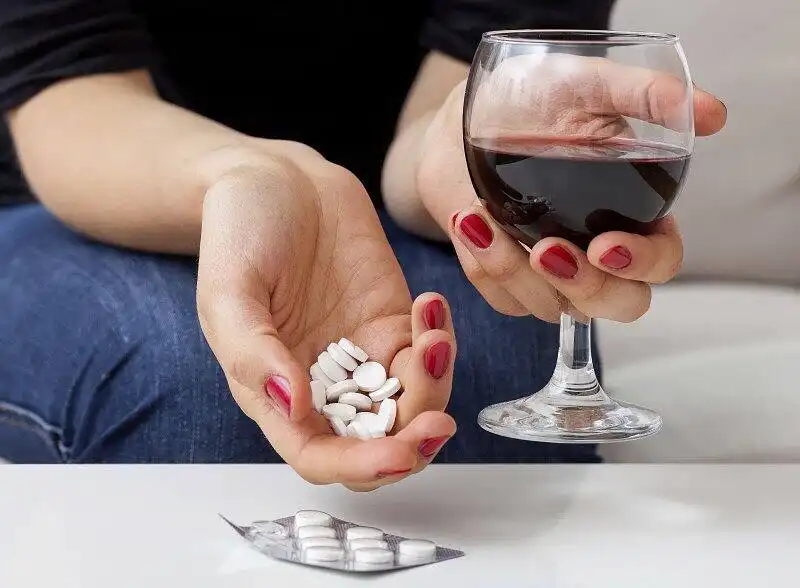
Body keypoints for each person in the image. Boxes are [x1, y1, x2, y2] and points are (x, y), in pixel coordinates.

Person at [0, 1, 726, 488]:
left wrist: (452, 157)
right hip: (97, 186)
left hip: (377, 219)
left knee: (479, 372)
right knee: (193, 381)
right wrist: (254, 175)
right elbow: (70, 97)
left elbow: (456, 106)